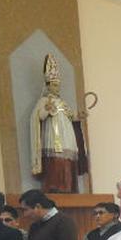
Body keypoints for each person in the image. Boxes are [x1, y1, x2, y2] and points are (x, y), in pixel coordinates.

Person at [30, 54, 86, 193]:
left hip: (66, 136)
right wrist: (47, 111)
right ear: (48, 86)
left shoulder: (63, 102)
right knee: (55, 160)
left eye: (58, 85)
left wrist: (79, 117)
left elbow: (71, 117)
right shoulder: (44, 101)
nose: (57, 88)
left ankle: (69, 186)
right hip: (53, 136)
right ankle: (55, 186)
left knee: (68, 159)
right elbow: (38, 117)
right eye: (54, 85)